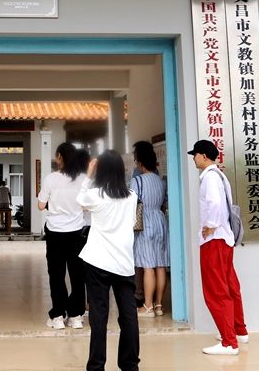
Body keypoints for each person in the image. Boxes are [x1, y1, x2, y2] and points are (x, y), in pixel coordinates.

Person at [76, 150, 140, 371]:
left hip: (98, 261)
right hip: (123, 263)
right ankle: (130, 365)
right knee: (129, 316)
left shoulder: (96, 195)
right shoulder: (131, 196)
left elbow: (80, 201)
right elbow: (130, 222)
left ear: (100, 170)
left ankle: (96, 366)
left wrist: (89, 174)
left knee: (99, 316)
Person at [188, 140, 248, 356]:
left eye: (195, 155)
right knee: (230, 286)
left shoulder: (209, 178)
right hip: (225, 240)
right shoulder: (220, 176)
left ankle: (229, 342)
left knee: (216, 291)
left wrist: (210, 225)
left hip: (214, 241)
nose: (194, 159)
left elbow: (213, 203)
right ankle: (238, 331)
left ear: (203, 156)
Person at [37, 141, 89, 330]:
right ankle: (76, 316)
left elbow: (40, 205)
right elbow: (86, 205)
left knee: (56, 275)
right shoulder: (83, 179)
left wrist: (55, 205)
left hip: (55, 233)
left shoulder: (51, 179)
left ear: (60, 157)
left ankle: (58, 315)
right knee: (77, 275)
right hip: (77, 233)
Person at [131, 141, 169, 318]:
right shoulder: (161, 181)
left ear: (139, 162)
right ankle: (158, 305)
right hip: (160, 221)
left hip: (145, 222)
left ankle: (147, 306)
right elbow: (164, 204)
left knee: (147, 266)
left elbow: (131, 204)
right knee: (160, 265)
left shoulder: (137, 181)